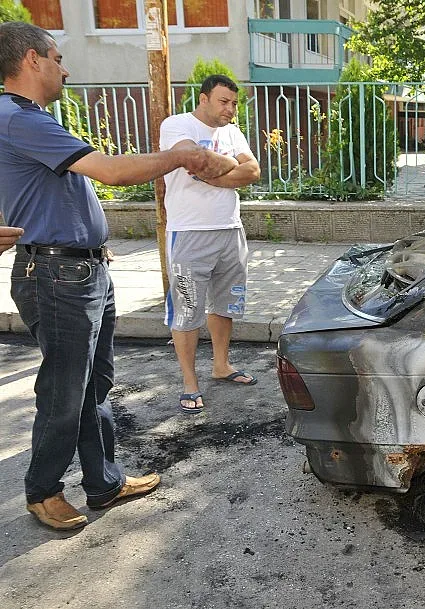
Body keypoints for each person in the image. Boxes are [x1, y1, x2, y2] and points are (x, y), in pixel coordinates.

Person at [0, 22, 238, 530]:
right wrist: (180, 156)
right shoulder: (16, 116)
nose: (65, 68)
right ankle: (42, 491)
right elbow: (108, 170)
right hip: (58, 274)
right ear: (30, 61)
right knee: (66, 389)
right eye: (57, 58)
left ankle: (103, 483)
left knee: (95, 383)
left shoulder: (31, 118)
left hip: (82, 270)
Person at [159, 75, 261, 414]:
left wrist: (212, 171)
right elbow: (193, 160)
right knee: (188, 309)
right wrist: (226, 167)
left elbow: (253, 172)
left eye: (234, 103)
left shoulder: (232, 132)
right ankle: (190, 382)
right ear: (203, 99)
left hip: (230, 230)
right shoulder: (176, 125)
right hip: (189, 233)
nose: (230, 109)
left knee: (226, 304)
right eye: (224, 101)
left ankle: (222, 365)